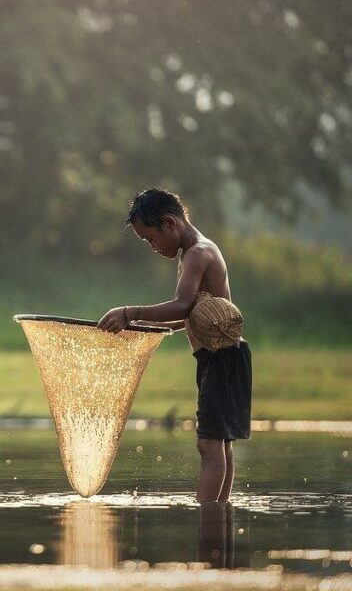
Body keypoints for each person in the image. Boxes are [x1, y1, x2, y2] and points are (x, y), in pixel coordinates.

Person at [98, 188, 252, 503]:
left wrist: (130, 312)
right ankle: (219, 519)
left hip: (222, 358)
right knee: (220, 443)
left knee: (210, 445)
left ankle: (208, 518)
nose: (152, 247)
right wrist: (136, 327)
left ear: (170, 223)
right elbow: (186, 317)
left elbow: (181, 306)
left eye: (150, 239)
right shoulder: (192, 253)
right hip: (219, 359)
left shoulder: (198, 252)